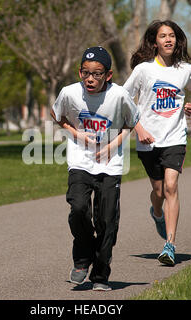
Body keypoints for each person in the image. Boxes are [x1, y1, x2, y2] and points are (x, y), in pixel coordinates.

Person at [51, 46, 140, 291]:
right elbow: (57, 114)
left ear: (108, 75)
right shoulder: (69, 93)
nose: (90, 79)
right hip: (80, 160)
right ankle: (82, 259)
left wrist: (112, 146)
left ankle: (100, 275)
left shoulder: (119, 95)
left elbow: (130, 123)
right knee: (79, 207)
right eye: (86, 73)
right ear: (80, 72)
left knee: (107, 220)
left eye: (97, 74)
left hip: (110, 165)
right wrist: (76, 133)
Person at [124, 20, 191, 266]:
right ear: (155, 42)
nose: (168, 40)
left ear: (177, 40)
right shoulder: (143, 70)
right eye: (163, 36)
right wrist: (138, 128)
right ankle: (157, 213)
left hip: (175, 137)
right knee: (158, 192)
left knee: (171, 187)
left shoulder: (185, 69)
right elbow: (124, 98)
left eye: (172, 35)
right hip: (148, 140)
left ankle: (169, 245)